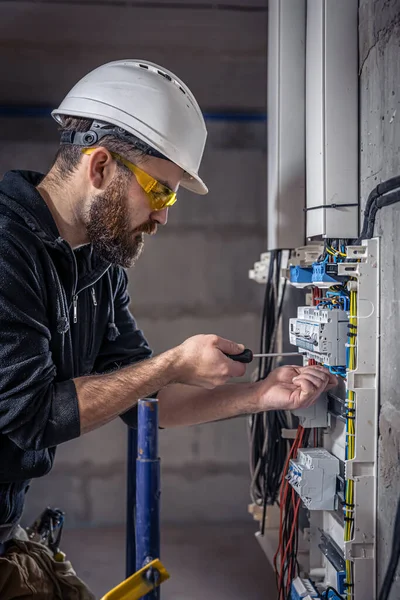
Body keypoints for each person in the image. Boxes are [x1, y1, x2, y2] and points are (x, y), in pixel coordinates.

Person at [0, 60, 336, 566]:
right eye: (159, 190)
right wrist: (173, 362)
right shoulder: (8, 249)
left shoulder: (99, 265)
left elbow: (143, 402)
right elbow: (30, 416)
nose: (162, 215)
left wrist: (260, 394)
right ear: (99, 167)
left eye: (171, 196)